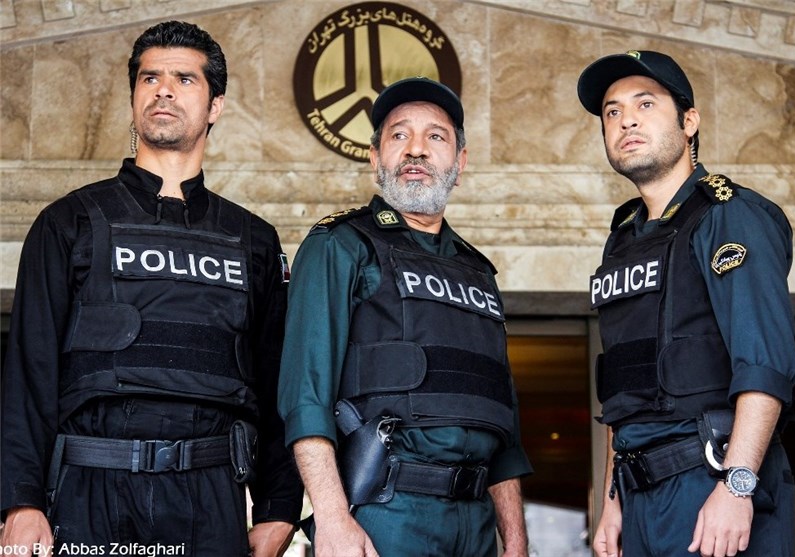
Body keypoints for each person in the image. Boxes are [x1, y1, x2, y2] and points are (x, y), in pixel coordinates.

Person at [0, 20, 302, 557]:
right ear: (133, 99)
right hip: (90, 489)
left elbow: (277, 380)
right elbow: (28, 371)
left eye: (184, 79)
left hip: (210, 494)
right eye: (149, 78)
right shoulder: (69, 222)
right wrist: (20, 502)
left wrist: (279, 509)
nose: (163, 90)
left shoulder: (253, 239)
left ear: (215, 106)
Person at [277, 77, 533, 556]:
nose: (416, 149)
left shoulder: (478, 272)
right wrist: (331, 518)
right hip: (387, 512)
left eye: (435, 136)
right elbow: (305, 399)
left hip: (475, 522)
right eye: (399, 135)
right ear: (376, 159)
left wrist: (516, 544)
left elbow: (503, 426)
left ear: (460, 163)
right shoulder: (341, 246)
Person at [577, 50, 795, 557]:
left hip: (712, 480)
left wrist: (737, 486)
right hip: (640, 495)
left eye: (646, 104)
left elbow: (764, 365)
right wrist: (613, 501)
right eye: (612, 112)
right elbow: (623, 392)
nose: (626, 120)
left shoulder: (729, 216)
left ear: (689, 122)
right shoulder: (624, 240)